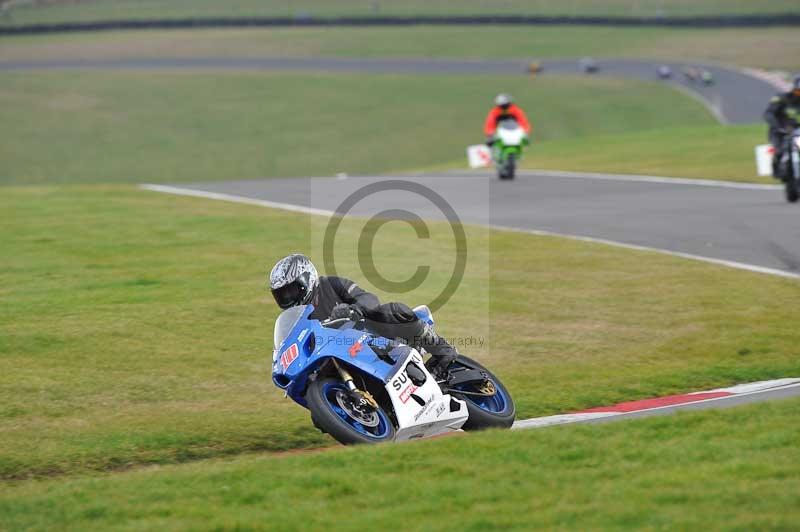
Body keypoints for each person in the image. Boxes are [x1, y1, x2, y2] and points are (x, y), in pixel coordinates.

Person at [268, 253, 458, 377]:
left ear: (307, 279)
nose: (288, 298)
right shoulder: (296, 320)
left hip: (368, 337)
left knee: (393, 311)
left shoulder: (331, 284)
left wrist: (354, 309)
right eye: (282, 295)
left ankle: (443, 351)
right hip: (338, 355)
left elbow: (369, 298)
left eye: (291, 291)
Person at [764, 75, 800, 178]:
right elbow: (769, 114)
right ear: (794, 89)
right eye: (798, 91)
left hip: (798, 133)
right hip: (780, 132)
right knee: (779, 150)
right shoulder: (781, 99)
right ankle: (777, 169)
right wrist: (779, 126)